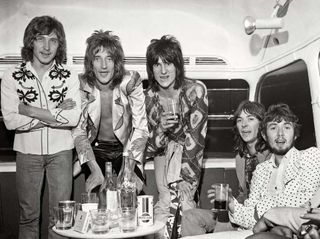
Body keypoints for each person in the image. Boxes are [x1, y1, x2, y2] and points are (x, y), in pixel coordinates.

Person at [0, 16, 81, 239]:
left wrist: (31, 110)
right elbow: (10, 120)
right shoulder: (12, 76)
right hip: (27, 153)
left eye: (53, 40)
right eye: (40, 39)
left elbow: (73, 118)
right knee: (28, 217)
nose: (46, 47)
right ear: (30, 42)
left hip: (62, 153)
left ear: (60, 45)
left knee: (62, 219)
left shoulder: (69, 76)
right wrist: (56, 112)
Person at [144, 35, 208, 238]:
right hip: (163, 156)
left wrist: (185, 178)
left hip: (188, 156)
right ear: (151, 69)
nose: (163, 71)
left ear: (178, 65)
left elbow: (196, 139)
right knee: (163, 206)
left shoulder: (195, 90)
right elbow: (150, 147)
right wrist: (160, 129)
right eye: (157, 65)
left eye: (168, 63)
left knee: (185, 204)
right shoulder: (150, 96)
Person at [72, 30, 149, 193]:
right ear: (90, 63)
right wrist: (93, 168)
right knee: (96, 198)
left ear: (117, 62)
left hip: (125, 149)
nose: (104, 66)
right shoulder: (82, 84)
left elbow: (141, 128)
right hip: (95, 149)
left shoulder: (131, 81)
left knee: (133, 193)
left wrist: (128, 168)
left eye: (109, 59)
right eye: (97, 59)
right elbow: (79, 131)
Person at [182, 100, 269, 236]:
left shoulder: (271, 157)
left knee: (221, 229)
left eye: (250, 119)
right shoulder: (241, 158)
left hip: (258, 218)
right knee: (189, 216)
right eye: (240, 120)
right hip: (239, 213)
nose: (244, 125)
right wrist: (230, 198)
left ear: (262, 124)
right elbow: (244, 195)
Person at [226, 103, 320, 229]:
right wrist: (232, 204)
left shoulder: (309, 155)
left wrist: (265, 208)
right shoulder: (260, 170)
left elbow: (307, 197)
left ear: (295, 134)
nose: (280, 134)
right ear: (264, 136)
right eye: (273, 128)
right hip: (262, 231)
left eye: (287, 127)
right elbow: (249, 218)